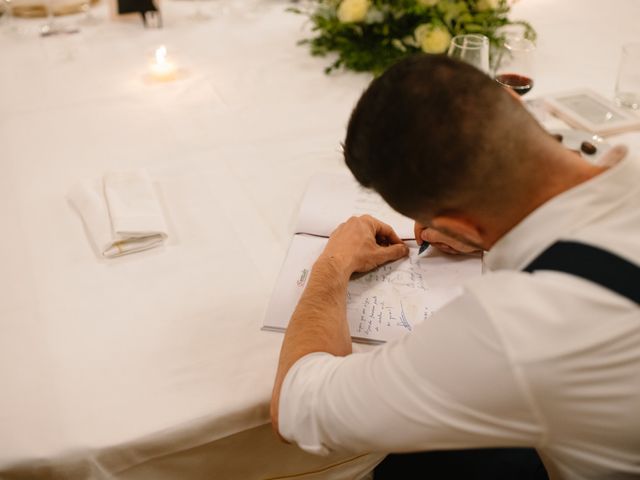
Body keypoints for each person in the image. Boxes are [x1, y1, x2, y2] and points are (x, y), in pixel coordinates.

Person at [270, 54, 640, 479]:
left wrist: (332, 263)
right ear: (514, 101)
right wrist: (490, 234)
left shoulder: (517, 328)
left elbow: (298, 405)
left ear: (454, 226)